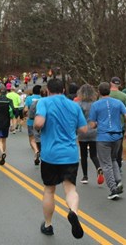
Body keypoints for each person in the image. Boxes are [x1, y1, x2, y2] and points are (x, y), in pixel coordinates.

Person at [34, 78, 87, 239]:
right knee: (70, 188)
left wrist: (38, 126)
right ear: (63, 90)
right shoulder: (74, 105)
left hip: (50, 155)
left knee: (49, 190)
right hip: (70, 154)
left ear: (48, 90)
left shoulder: (44, 102)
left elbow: (39, 122)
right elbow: (83, 129)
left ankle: (48, 225)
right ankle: (73, 212)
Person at [88, 82, 126, 200]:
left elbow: (92, 124)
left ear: (99, 92)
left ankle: (113, 189)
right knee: (113, 159)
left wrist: (96, 124)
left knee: (105, 164)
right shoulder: (118, 103)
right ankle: (118, 182)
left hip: (103, 137)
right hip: (117, 136)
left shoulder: (96, 105)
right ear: (109, 91)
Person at [76, 84, 103, 185]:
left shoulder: (79, 104)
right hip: (94, 131)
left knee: (83, 155)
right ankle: (98, 167)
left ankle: (85, 176)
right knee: (93, 154)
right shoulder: (96, 104)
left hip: (83, 131)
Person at [109, 77, 126, 170]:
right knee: (119, 145)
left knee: (107, 144)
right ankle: (118, 165)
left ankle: (109, 165)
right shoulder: (123, 96)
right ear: (119, 85)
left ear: (110, 83)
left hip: (107, 124)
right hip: (120, 124)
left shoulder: (106, 94)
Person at [0, 87, 15, 165]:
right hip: (6, 122)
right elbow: (11, 111)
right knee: (4, 139)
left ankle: (2, 152)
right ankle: (2, 156)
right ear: (6, 92)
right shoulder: (9, 101)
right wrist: (12, 122)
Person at [24, 85, 43, 165]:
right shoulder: (43, 99)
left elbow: (25, 109)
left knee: (32, 139)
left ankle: (36, 151)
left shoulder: (29, 98)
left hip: (31, 122)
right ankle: (40, 152)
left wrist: (25, 114)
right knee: (40, 138)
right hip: (41, 122)